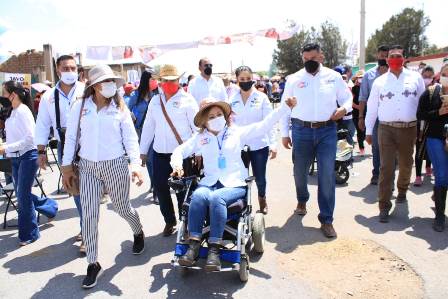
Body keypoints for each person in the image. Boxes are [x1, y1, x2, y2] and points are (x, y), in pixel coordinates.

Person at [172, 96, 296, 270]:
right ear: (204, 122)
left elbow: (264, 126)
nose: (216, 119)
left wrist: (284, 107)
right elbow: (180, 150)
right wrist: (177, 165)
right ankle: (193, 246)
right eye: (211, 116)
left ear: (225, 116)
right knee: (198, 195)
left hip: (234, 184)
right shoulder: (200, 138)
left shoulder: (236, 132)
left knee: (216, 198)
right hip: (209, 182)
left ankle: (214, 250)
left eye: (219, 114)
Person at [61, 64, 145, 289]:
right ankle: (92, 263)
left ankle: (137, 231)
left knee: (122, 207)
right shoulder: (80, 106)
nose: (111, 86)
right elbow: (71, 138)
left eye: (112, 82)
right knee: (88, 214)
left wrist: (135, 165)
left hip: (116, 165)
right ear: (95, 86)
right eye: (106, 82)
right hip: (87, 167)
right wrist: (66, 167)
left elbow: (130, 138)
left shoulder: (120, 107)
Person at [280, 43, 353, 238]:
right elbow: (285, 107)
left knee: (327, 174)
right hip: (301, 130)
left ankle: (327, 219)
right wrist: (284, 134)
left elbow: (347, 98)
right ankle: (302, 199)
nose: (309, 62)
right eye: (306, 59)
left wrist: (344, 109)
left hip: (327, 130)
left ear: (321, 56)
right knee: (299, 171)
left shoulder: (334, 77)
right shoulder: (294, 79)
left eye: (313, 58)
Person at [365, 45, 425, 223]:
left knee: (407, 164)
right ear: (386, 59)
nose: (395, 58)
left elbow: (423, 104)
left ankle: (402, 191)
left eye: (398, 55)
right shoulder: (380, 82)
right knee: (386, 167)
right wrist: (368, 131)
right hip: (386, 129)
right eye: (392, 56)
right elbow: (372, 108)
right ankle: (383, 205)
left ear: (404, 58)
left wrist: (422, 128)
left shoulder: (416, 78)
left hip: (409, 128)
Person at [34, 54, 86, 253]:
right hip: (65, 146)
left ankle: (87, 231)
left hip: (88, 145)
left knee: (87, 192)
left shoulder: (86, 91)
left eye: (73, 68)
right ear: (57, 70)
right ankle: (86, 225)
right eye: (66, 68)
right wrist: (41, 151)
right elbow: (42, 125)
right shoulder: (48, 97)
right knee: (75, 190)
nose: (70, 72)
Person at [140, 64, 199, 236]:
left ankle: (185, 223)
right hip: (159, 154)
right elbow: (148, 127)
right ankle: (169, 221)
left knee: (183, 190)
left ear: (178, 80)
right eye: (166, 80)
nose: (169, 83)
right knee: (160, 188)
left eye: (173, 80)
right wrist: (143, 152)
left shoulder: (188, 100)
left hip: (181, 156)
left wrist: (200, 152)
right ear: (160, 81)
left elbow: (197, 129)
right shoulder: (155, 101)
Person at [0, 81, 58, 246]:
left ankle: (29, 234)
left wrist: (6, 148)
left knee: (23, 196)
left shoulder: (24, 111)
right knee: (21, 194)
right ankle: (50, 206)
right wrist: (8, 149)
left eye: (4, 93)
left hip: (28, 156)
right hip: (16, 158)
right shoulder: (11, 112)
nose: (2, 96)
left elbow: (30, 138)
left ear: (14, 94)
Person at [228, 66, 276, 214]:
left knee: (260, 178)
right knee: (240, 178)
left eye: (248, 79)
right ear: (237, 80)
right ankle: (242, 205)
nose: (245, 82)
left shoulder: (261, 98)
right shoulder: (231, 100)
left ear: (252, 79)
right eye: (242, 79)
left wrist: (273, 143)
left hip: (259, 145)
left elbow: (270, 122)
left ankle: (262, 199)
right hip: (239, 146)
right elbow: (229, 123)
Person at [417, 63, 448, 231]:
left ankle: (438, 195)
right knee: (441, 176)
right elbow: (420, 114)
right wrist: (438, 113)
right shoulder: (431, 92)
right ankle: (439, 216)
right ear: (439, 75)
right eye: (445, 74)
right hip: (435, 138)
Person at [358, 45, 390, 185]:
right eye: (382, 56)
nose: (384, 58)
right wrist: (361, 117)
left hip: (392, 117)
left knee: (392, 148)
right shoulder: (369, 75)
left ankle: (389, 174)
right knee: (376, 146)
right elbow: (363, 97)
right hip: (375, 118)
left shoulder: (396, 74)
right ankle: (376, 174)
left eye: (386, 56)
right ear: (377, 56)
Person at [414, 65, 436, 186]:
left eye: (429, 76)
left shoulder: (437, 89)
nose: (427, 79)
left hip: (433, 123)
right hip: (420, 123)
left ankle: (428, 167)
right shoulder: (418, 89)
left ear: (433, 77)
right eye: (425, 76)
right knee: (419, 149)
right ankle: (418, 175)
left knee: (431, 148)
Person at [352, 70, 366, 155]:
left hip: (366, 112)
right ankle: (361, 148)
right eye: (360, 77)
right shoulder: (353, 88)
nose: (361, 79)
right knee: (360, 131)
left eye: (362, 77)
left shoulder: (367, 88)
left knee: (365, 131)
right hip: (356, 113)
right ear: (357, 78)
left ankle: (363, 141)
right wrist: (359, 107)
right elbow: (351, 101)